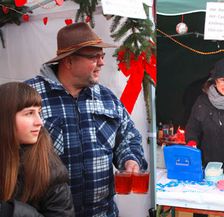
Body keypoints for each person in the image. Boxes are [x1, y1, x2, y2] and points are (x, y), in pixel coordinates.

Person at [25, 22, 148, 217]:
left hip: (103, 213)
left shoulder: (107, 98)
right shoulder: (31, 96)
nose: (101, 62)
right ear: (68, 61)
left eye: (102, 56)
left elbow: (128, 137)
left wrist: (130, 159)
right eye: (93, 57)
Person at [0, 82, 74, 216]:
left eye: (39, 112)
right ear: (5, 117)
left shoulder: (49, 171)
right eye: (29, 113)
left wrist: (12, 212)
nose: (39, 121)